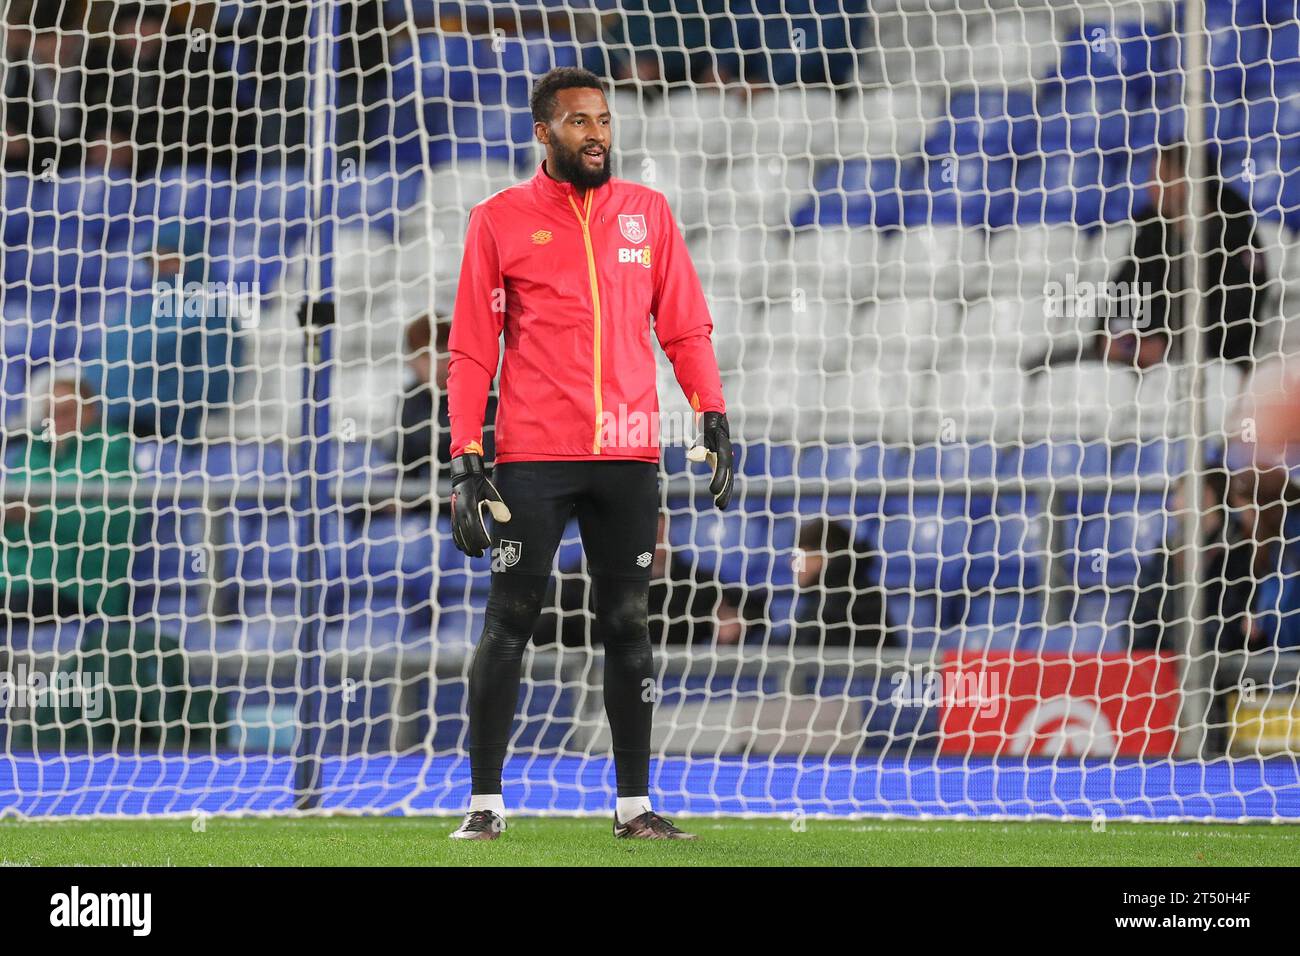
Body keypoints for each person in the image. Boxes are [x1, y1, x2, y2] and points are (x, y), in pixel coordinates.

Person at [445, 67, 733, 841]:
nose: (597, 133)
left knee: (629, 626)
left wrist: (713, 411)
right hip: (534, 459)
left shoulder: (648, 213)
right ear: (544, 132)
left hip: (631, 459)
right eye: (578, 122)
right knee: (508, 622)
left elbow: (685, 327)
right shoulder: (498, 221)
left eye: (603, 119)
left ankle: (634, 807)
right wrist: (466, 455)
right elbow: (472, 350)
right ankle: (485, 803)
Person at [1099, 142, 1268, 369]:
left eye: (1160, 177)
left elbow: (1238, 314)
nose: (1152, 186)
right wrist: (1122, 338)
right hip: (1146, 360)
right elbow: (1125, 290)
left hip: (1218, 364)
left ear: (1187, 179)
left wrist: (1169, 345)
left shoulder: (1237, 236)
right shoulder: (1151, 233)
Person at [0, 371, 135, 638]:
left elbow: (112, 523)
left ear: (89, 412)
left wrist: (36, 516)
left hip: (77, 587)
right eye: (51, 412)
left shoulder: (112, 451)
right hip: (15, 580)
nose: (57, 421)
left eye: (66, 412)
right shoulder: (32, 453)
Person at [95, 222, 241, 439]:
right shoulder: (137, 313)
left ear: (193, 259)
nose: (161, 268)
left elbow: (215, 384)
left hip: (170, 434)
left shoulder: (213, 314)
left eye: (170, 259)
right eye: (154, 261)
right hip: (110, 429)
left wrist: (144, 401)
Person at [532, 514, 755, 647]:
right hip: (599, 693)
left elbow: (758, 610)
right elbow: (542, 632)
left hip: (682, 698)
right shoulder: (580, 582)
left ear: (664, 523)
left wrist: (736, 622)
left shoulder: (698, 584)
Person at [394, 314, 495, 505]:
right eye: (426, 356)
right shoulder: (411, 400)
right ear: (412, 360)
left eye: (442, 353)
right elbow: (405, 468)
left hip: (478, 503)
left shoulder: (479, 392)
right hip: (427, 505)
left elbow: (487, 462)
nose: (437, 365)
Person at [791, 519, 892, 649]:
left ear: (823, 556)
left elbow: (803, 652)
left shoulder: (837, 601)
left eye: (800, 556)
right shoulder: (848, 590)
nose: (793, 564)